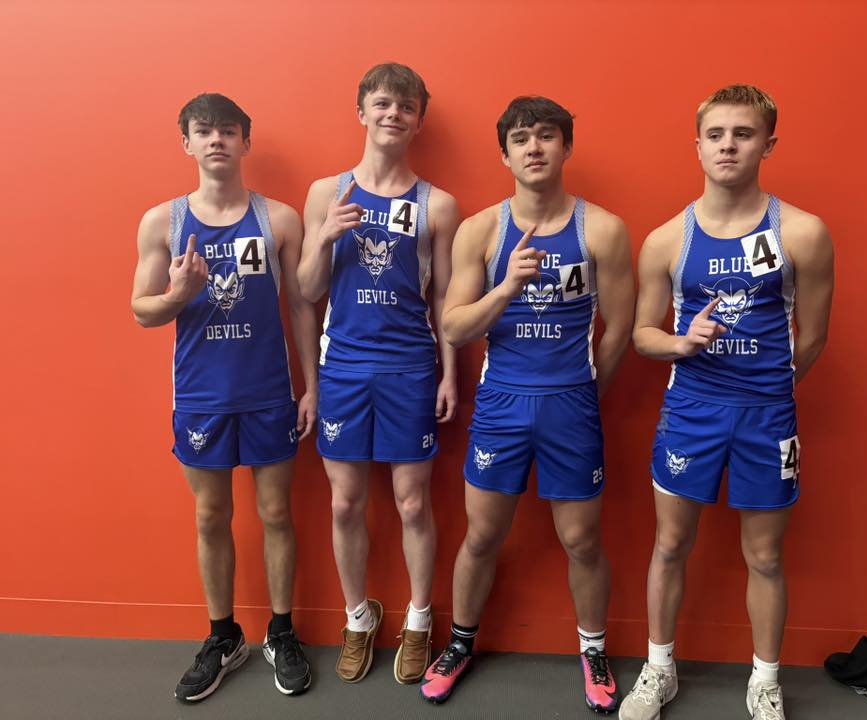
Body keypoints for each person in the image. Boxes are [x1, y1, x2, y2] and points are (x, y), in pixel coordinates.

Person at [619, 84, 834, 720]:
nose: (728, 146)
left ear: (768, 143)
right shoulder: (666, 240)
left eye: (742, 134)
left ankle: (764, 680)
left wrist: (768, 386)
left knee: (765, 555)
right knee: (669, 545)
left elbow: (815, 336)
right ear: (698, 145)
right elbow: (640, 334)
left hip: (768, 416)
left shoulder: (804, 232)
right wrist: (682, 343)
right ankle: (659, 670)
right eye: (716, 135)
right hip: (691, 412)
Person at [419, 96, 634, 712]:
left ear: (567, 147)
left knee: (582, 541)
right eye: (521, 138)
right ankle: (460, 643)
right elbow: (456, 328)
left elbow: (619, 329)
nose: (534, 147)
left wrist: (586, 394)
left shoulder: (603, 230)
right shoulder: (482, 231)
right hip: (502, 403)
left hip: (571, 403)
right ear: (505, 153)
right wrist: (508, 286)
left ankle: (593, 649)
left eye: (546, 136)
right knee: (482, 535)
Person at [131, 93, 318, 701]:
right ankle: (223, 635)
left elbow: (299, 305)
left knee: (275, 514)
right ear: (186, 143)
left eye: (228, 131)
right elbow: (142, 310)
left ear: (246, 142)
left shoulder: (280, 219)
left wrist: (310, 385)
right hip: (202, 398)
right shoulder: (162, 222)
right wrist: (178, 292)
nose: (216, 141)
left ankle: (281, 632)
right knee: (212, 516)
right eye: (204, 131)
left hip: (269, 394)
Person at [297, 62, 460, 685]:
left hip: (410, 368)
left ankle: (419, 620)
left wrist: (449, 375)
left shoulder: (437, 203)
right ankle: (359, 618)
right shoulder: (326, 193)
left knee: (412, 501)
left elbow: (446, 298)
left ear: (418, 120)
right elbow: (308, 290)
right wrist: (325, 238)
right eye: (383, 103)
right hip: (342, 367)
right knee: (345, 503)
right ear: (361, 110)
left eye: (406, 107)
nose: (393, 114)